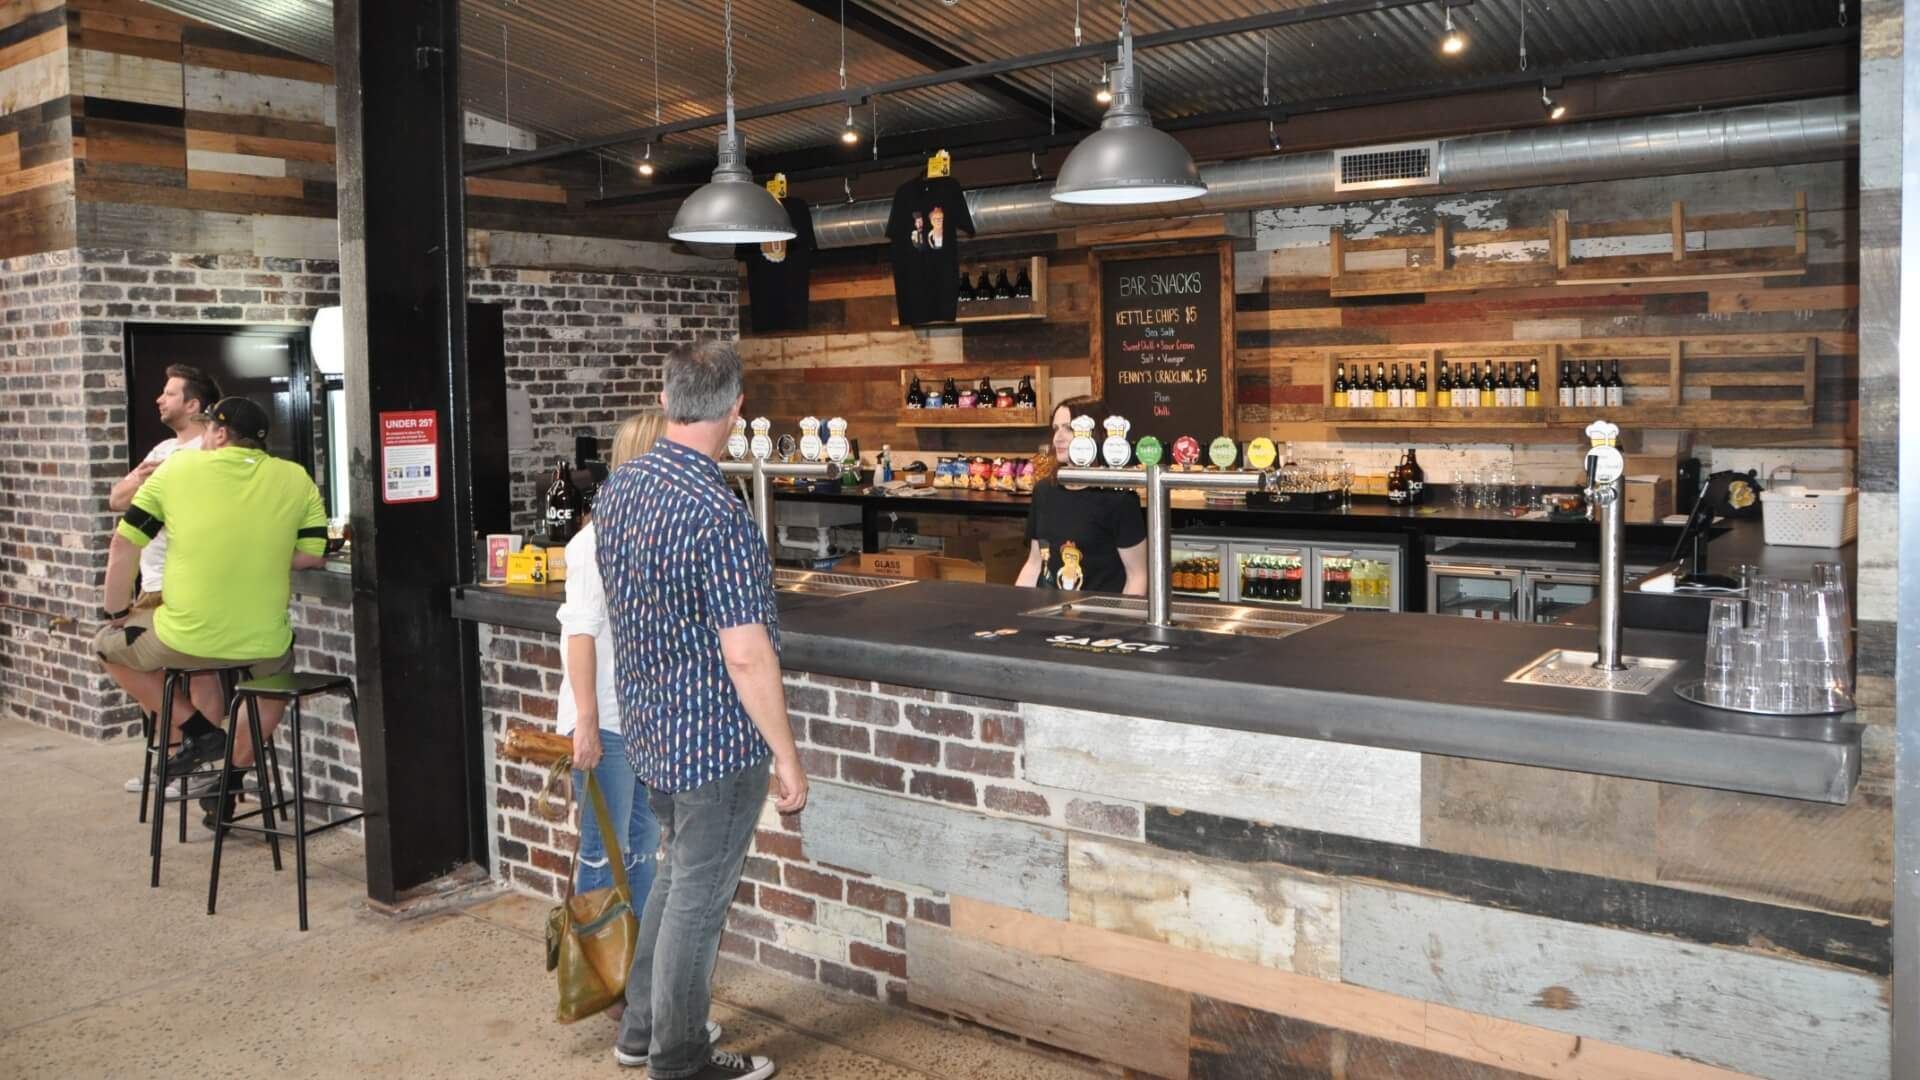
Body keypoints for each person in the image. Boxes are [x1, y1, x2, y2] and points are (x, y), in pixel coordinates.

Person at [596, 341, 806, 1080]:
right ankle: (679, 1059)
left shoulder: (620, 488)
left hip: (653, 734)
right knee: (696, 901)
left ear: (667, 396)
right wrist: (786, 754)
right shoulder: (717, 510)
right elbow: (746, 655)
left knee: (677, 879)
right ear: (737, 406)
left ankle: (643, 1031)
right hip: (715, 744)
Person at [96, 396, 329, 829]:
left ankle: (201, 732)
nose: (203, 438)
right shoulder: (295, 477)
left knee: (108, 646)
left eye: (207, 430)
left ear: (220, 433)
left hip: (185, 639)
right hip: (262, 640)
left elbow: (125, 543)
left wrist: (115, 611)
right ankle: (231, 779)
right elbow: (311, 556)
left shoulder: (177, 470)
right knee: (271, 685)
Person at [556, 412, 665, 997]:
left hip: (641, 722)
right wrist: (588, 728)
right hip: (607, 725)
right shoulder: (592, 541)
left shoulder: (646, 535)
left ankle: (640, 982)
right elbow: (580, 635)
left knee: (643, 852)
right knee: (603, 857)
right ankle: (605, 982)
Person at [111, 363, 222, 795]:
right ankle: (180, 758)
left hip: (185, 580)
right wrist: (143, 480)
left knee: (199, 674)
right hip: (151, 580)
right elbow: (116, 498)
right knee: (142, 669)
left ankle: (205, 763)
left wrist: (150, 482)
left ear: (193, 404)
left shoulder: (208, 449)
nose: (160, 399)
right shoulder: (162, 449)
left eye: (170, 393)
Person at [1015, 396, 1149, 595]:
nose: (1057, 438)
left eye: (1069, 428)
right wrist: (1014, 609)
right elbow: (1035, 563)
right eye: (1055, 429)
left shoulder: (1118, 499)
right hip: (1050, 613)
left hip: (1099, 618)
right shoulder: (1044, 491)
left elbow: (1137, 576)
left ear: (1094, 434)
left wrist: (1121, 623)